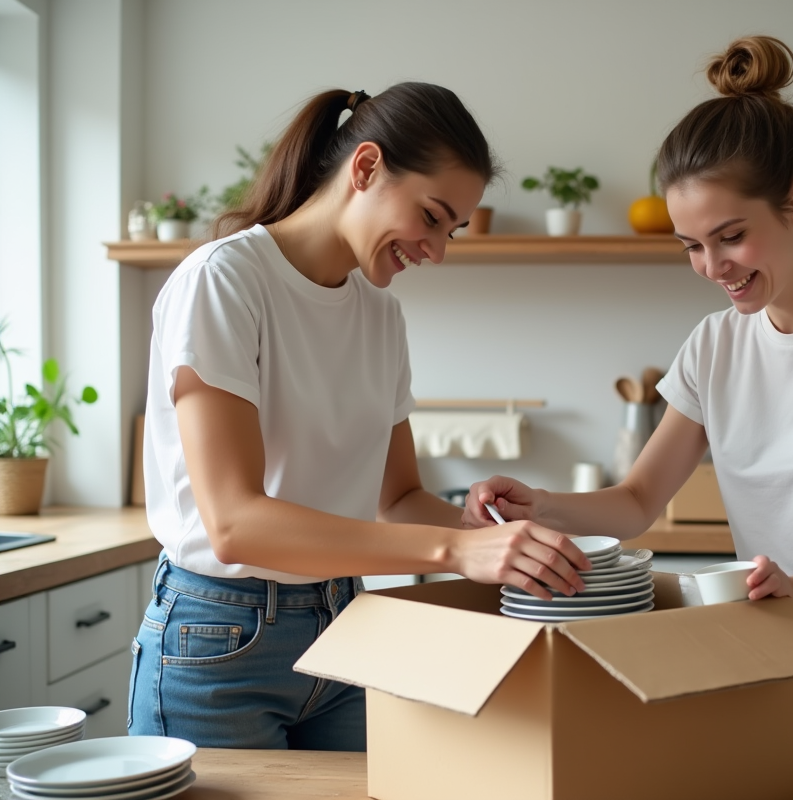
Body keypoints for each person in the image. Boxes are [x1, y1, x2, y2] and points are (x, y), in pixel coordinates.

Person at [463, 36, 793, 763]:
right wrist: (539, 505)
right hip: (766, 661)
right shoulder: (716, 345)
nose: (712, 267)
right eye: (690, 245)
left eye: (730, 237)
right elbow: (638, 500)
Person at [129, 83, 590, 751]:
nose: (437, 249)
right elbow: (234, 524)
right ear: (366, 167)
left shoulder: (380, 313)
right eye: (431, 217)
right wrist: (460, 551)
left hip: (345, 625)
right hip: (218, 638)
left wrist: (477, 526)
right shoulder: (225, 281)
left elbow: (397, 499)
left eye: (452, 229)